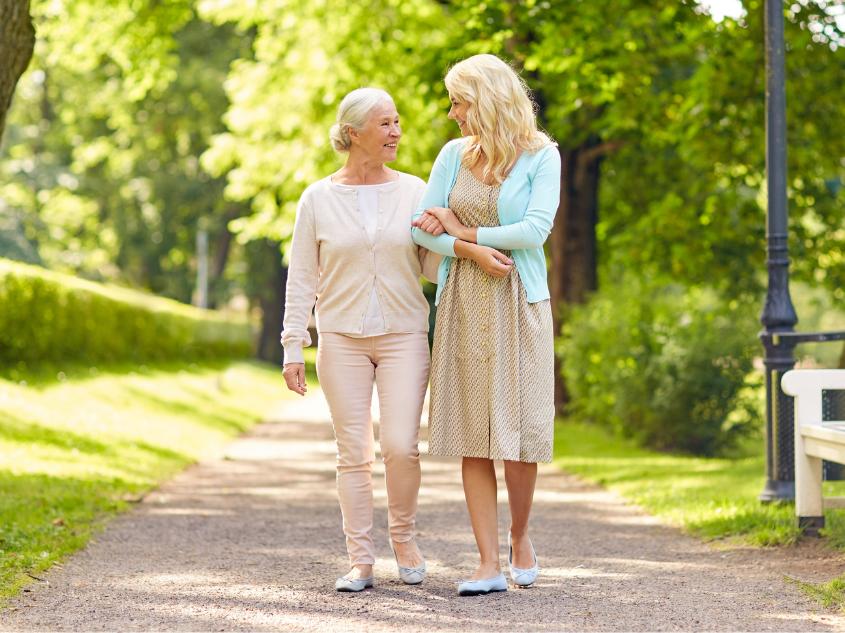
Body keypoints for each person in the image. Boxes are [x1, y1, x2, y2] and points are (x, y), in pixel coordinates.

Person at [411, 54, 561, 596]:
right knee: (474, 436)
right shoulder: (453, 155)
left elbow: (534, 230)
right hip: (462, 303)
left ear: (488, 100)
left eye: (459, 101)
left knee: (518, 436)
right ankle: (487, 563)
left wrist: (464, 232)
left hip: (521, 303)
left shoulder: (543, 156)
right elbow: (421, 227)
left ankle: (521, 539)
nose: (451, 113)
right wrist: (465, 251)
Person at [281, 87, 438, 592]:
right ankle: (360, 560)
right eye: (386, 124)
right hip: (341, 338)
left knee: (400, 446)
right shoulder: (318, 198)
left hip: (403, 333)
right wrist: (292, 345)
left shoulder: (415, 190)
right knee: (353, 452)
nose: (397, 132)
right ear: (353, 134)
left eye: (397, 122)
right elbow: (302, 277)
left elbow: (432, 269)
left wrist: (448, 232)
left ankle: (405, 539)